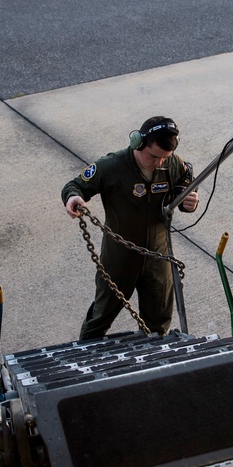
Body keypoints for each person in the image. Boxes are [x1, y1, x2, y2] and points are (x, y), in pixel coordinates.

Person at [62, 116, 200, 340]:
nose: (159, 163)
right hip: (119, 258)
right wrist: (73, 198)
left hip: (158, 256)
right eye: (154, 156)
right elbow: (74, 185)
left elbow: (186, 175)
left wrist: (188, 200)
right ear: (138, 143)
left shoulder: (172, 162)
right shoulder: (112, 166)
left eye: (164, 158)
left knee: (158, 323)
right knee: (100, 317)